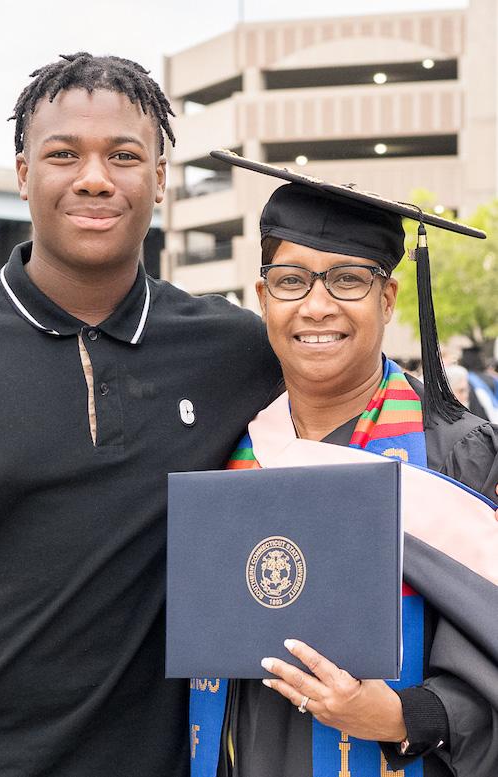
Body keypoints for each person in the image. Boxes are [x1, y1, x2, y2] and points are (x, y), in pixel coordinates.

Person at [0, 55, 281, 776]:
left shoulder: (238, 353)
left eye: (123, 156)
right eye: (63, 154)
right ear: (23, 173)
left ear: (159, 178)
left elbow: (362, 426)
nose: (94, 178)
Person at [194, 151, 498, 777]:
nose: (317, 306)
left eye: (348, 279)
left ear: (388, 298)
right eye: (291, 281)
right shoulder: (225, 446)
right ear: (263, 298)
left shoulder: (458, 455)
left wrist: (402, 717)